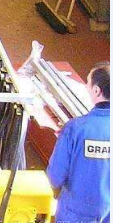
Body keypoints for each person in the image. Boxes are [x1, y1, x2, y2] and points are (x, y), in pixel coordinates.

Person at [47, 62, 110, 223]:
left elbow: (55, 177)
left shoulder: (75, 129)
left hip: (74, 214)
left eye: (88, 83)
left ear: (96, 90)